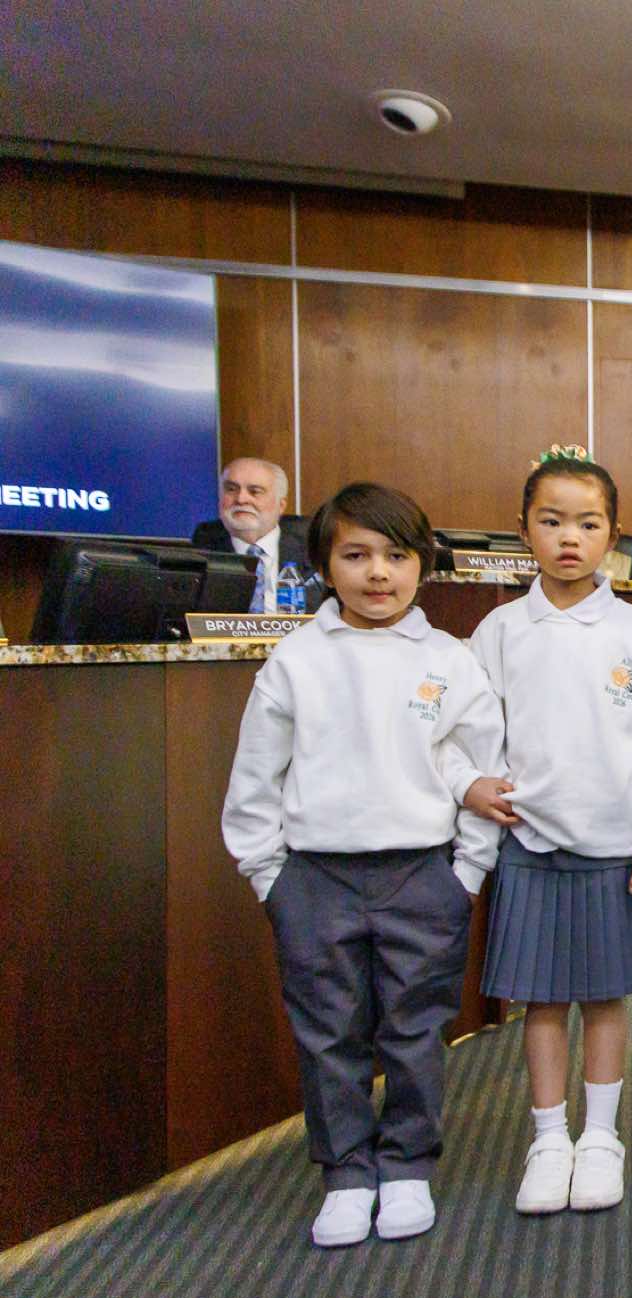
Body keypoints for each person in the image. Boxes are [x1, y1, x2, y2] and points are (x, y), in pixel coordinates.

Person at [221, 482, 503, 1248]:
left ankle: (407, 1163)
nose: (378, 572)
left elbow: (484, 770)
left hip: (424, 875)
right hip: (315, 879)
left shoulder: (450, 660)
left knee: (415, 1028)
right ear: (324, 565)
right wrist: (270, 878)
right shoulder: (296, 660)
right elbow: (254, 782)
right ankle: (345, 1172)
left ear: (422, 566)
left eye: (397, 555)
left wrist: (465, 875)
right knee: (328, 1033)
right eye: (356, 555)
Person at [462, 448, 632, 1217]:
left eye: (589, 523)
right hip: (529, 843)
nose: (570, 537)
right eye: (552, 521)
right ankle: (547, 1138)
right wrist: (477, 784)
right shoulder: (500, 631)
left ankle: (600, 1136)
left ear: (613, 535)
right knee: (539, 1000)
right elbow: (470, 730)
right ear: (523, 529)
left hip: (614, 848)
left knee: (603, 996)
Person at [192, 457, 320, 612]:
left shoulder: (313, 548)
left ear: (281, 505)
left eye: (255, 492)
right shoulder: (203, 549)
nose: (241, 499)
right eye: (231, 489)